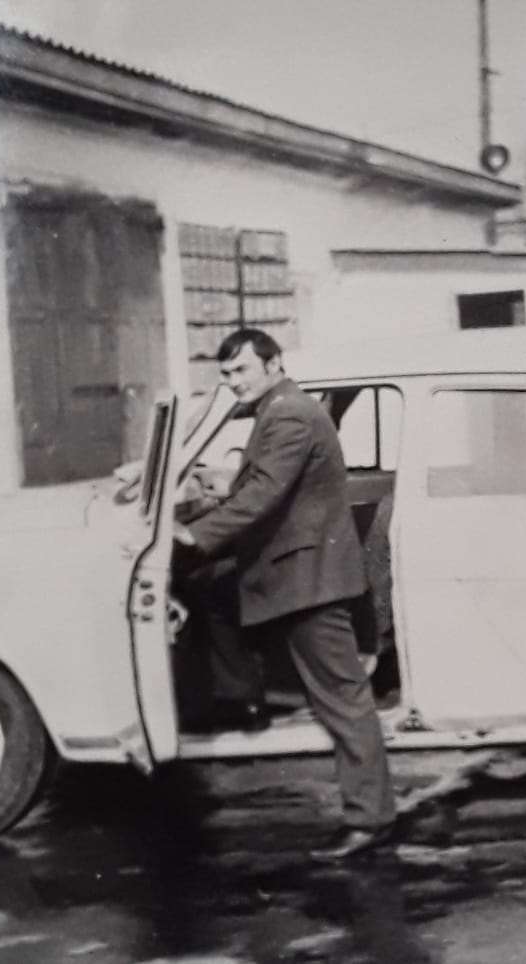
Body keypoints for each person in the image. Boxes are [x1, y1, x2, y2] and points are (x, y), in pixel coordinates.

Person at [174, 329, 397, 861]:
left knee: (343, 701)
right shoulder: (278, 410)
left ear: (274, 364)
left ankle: (370, 819)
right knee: (210, 590)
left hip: (308, 580)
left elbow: (264, 493)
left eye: (241, 370)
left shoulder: (289, 414)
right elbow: (263, 483)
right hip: (298, 572)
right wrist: (216, 490)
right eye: (225, 374)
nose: (233, 382)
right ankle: (242, 698)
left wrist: (194, 535)